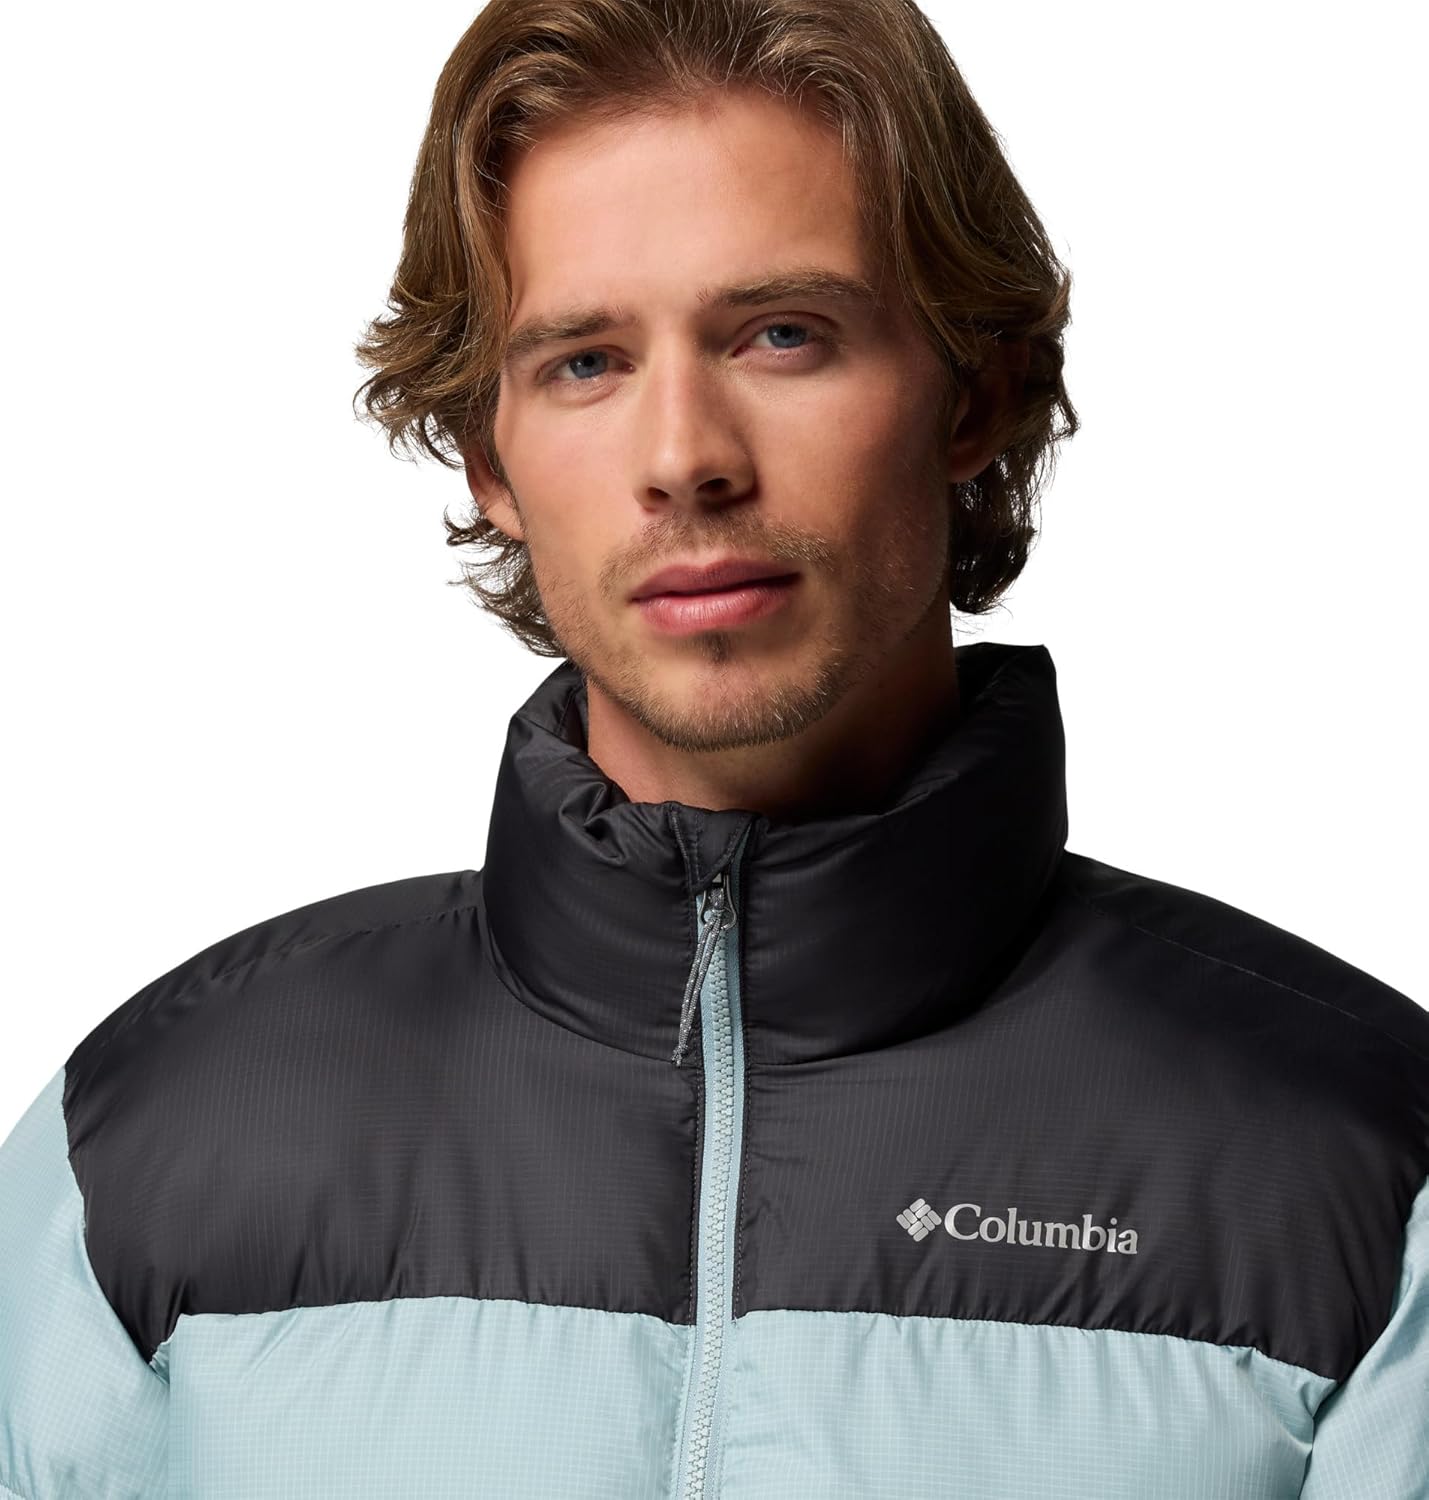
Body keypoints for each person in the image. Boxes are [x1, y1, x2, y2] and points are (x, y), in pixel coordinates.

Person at [1, 0, 1424, 1494]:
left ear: (976, 392)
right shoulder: (152, 1146)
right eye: (584, 362)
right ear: (487, 455)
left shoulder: (1360, 1175)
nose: (685, 457)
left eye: (782, 334)